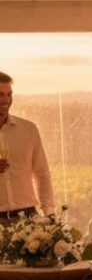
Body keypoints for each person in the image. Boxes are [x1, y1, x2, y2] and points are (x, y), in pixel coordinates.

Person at [0, 71, 54, 224]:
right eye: (0, 95)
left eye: (9, 94)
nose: (6, 100)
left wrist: (49, 213)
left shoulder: (28, 130)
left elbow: (42, 173)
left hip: (28, 219)